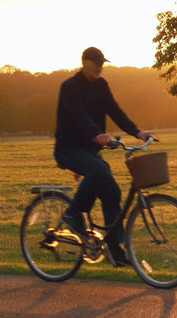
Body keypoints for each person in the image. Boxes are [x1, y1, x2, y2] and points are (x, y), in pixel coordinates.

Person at [54, 46, 151, 267]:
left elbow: (115, 111)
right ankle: (72, 214)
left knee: (111, 190)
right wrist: (96, 134)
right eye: (96, 63)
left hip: (90, 150)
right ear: (84, 62)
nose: (100, 67)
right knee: (99, 171)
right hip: (68, 149)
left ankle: (115, 250)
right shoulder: (69, 87)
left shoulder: (101, 85)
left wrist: (137, 132)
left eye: (102, 64)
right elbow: (77, 115)